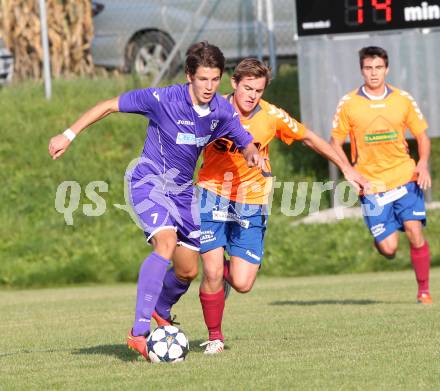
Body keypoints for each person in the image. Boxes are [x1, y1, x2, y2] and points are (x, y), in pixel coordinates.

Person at [48, 42, 264, 360]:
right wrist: (68, 134)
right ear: (190, 75)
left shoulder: (221, 110)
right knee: (165, 242)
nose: (209, 86)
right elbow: (108, 105)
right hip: (149, 183)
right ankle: (138, 333)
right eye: (203, 79)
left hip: (183, 192)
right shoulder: (162, 99)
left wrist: (251, 153)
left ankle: (161, 309)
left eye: (215, 79)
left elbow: (243, 140)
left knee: (188, 271)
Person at [152, 58, 368, 354]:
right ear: (234, 84)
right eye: (247, 88)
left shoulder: (272, 116)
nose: (252, 95)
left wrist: (346, 168)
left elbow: (310, 138)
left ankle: (222, 276)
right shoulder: (210, 109)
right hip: (211, 194)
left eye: (258, 90)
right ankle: (215, 336)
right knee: (211, 272)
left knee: (241, 282)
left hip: (251, 203)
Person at [330, 46, 432, 305]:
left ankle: (424, 291)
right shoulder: (349, 103)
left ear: (386, 69)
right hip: (371, 185)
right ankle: (384, 236)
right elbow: (334, 142)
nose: (373, 73)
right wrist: (349, 170)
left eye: (378, 67)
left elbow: (421, 135)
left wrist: (422, 163)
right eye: (368, 68)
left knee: (414, 230)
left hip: (405, 176)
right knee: (389, 249)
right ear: (361, 70)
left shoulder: (403, 99)